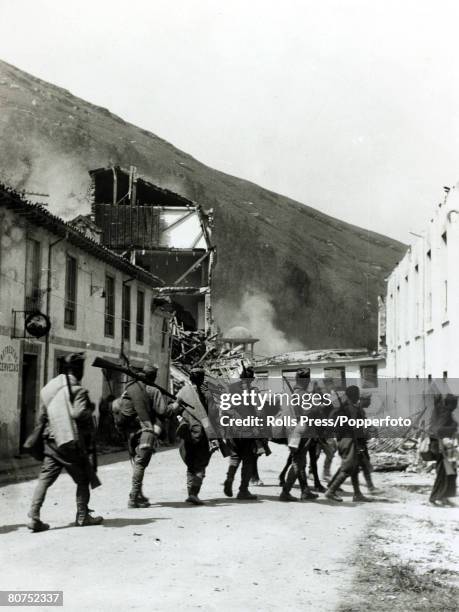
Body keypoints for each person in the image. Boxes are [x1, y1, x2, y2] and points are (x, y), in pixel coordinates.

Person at [27, 353, 103, 532]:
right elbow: (78, 414)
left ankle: (34, 515)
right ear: (78, 370)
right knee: (84, 478)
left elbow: (41, 417)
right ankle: (83, 516)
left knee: (45, 479)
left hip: (51, 442)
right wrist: (89, 410)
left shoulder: (50, 388)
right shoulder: (78, 391)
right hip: (69, 443)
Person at [117, 363, 178, 508]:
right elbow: (164, 412)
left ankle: (138, 494)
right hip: (147, 430)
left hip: (131, 432)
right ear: (154, 376)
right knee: (141, 464)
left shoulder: (130, 389)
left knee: (137, 463)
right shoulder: (153, 390)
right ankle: (133, 497)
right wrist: (176, 405)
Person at [175, 367, 217, 505]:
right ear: (202, 379)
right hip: (203, 433)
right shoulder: (207, 394)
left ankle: (190, 493)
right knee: (201, 464)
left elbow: (174, 410)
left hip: (187, 433)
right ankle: (194, 493)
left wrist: (180, 418)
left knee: (190, 463)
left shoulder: (183, 392)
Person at [324, 385, 372, 503]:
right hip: (349, 440)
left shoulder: (344, 407)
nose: (358, 397)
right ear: (354, 395)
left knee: (354, 468)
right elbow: (355, 428)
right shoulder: (351, 409)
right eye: (357, 395)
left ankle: (357, 494)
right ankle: (331, 491)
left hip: (343, 440)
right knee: (348, 468)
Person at [279, 369, 319, 502]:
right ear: (306, 381)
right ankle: (285, 492)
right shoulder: (304, 395)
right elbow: (308, 414)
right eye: (308, 380)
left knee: (300, 461)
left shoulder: (292, 395)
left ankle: (305, 491)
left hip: (293, 432)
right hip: (302, 431)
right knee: (298, 462)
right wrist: (315, 408)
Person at [223, 367, 259, 500]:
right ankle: (243, 490)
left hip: (232, 430)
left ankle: (229, 479)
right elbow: (258, 410)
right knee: (248, 460)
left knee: (234, 457)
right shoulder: (253, 391)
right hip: (247, 430)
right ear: (252, 379)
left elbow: (224, 409)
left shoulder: (230, 388)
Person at [428, 393, 458, 506]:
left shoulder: (443, 411)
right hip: (442, 448)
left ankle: (445, 496)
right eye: (455, 403)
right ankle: (434, 498)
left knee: (451, 473)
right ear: (449, 403)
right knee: (443, 473)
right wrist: (453, 427)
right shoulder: (445, 413)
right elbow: (438, 430)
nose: (456, 405)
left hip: (446, 448)